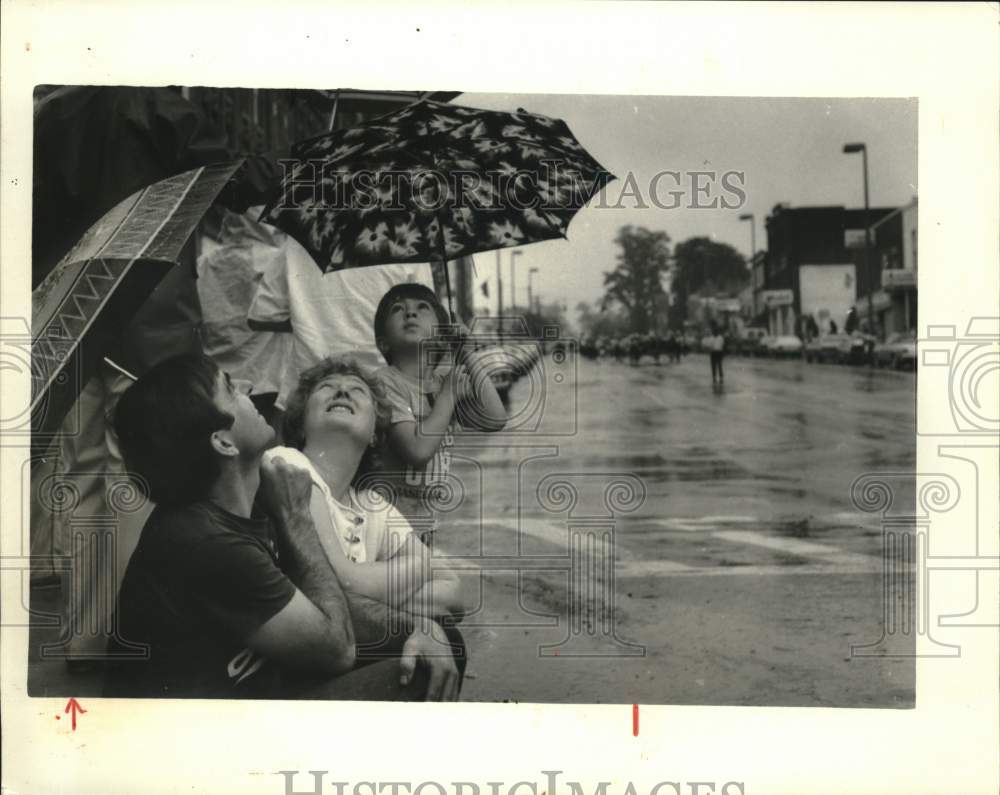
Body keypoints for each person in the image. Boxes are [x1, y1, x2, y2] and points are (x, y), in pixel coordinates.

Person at [106, 354, 461, 700]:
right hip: (203, 742)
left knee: (436, 640)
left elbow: (327, 601)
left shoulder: (250, 506)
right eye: (230, 389)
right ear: (223, 442)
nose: (246, 386)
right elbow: (338, 648)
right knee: (425, 665)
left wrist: (416, 627)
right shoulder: (206, 539)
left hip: (258, 690)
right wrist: (297, 518)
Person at [264, 356, 471, 620]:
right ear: (301, 422)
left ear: (375, 431)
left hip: (344, 639)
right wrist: (418, 567)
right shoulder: (287, 465)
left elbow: (453, 595)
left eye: (357, 390)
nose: (342, 391)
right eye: (326, 387)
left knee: (445, 641)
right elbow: (341, 579)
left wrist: (365, 597)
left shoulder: (373, 504)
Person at [372, 283, 507, 545]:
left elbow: (495, 417)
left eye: (422, 308)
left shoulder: (444, 381)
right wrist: (447, 396)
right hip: (387, 523)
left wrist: (466, 354)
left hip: (424, 521)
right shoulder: (384, 382)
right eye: (398, 310)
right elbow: (417, 450)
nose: (410, 314)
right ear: (382, 342)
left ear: (442, 336)